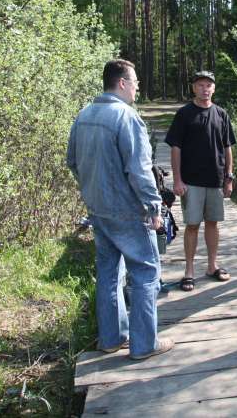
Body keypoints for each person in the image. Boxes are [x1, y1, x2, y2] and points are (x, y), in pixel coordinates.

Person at [66, 59, 174, 360]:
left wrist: (93, 189)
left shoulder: (84, 114)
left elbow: (72, 161)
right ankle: (144, 345)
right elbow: (139, 171)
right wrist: (154, 207)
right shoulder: (127, 117)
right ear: (122, 83)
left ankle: (111, 339)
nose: (139, 87)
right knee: (146, 273)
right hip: (129, 211)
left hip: (98, 210)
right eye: (136, 81)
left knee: (109, 273)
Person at [165, 70, 237, 292]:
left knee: (213, 223)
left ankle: (212, 266)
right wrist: (177, 179)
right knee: (193, 225)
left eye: (208, 85)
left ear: (213, 88)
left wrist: (229, 177)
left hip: (215, 179)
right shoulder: (184, 114)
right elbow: (175, 147)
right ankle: (189, 271)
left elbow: (228, 148)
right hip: (191, 181)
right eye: (200, 85)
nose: (205, 89)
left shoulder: (221, 114)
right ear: (193, 88)